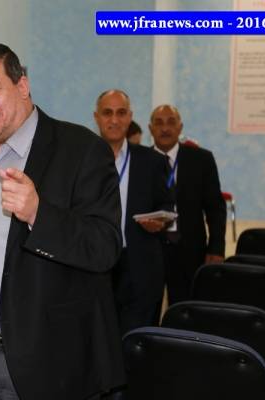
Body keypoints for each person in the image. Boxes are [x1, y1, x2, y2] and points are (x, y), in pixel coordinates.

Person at [0, 43, 125, 400]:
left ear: (22, 86)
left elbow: (105, 247)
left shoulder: (81, 150)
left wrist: (38, 215)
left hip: (47, 362)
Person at [94, 90, 172, 336]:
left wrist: (160, 221)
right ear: (96, 117)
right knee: (100, 342)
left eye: (121, 113)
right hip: (95, 265)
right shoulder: (81, 159)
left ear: (130, 117)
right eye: (107, 113)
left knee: (136, 342)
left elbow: (167, 205)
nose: (114, 120)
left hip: (139, 265)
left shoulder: (152, 161)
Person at [149, 104, 226, 305]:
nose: (165, 128)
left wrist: (216, 248)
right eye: (159, 123)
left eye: (171, 122)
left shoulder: (201, 159)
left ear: (180, 127)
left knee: (185, 311)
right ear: (150, 129)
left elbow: (215, 208)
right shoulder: (140, 160)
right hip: (150, 250)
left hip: (190, 250)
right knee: (147, 311)